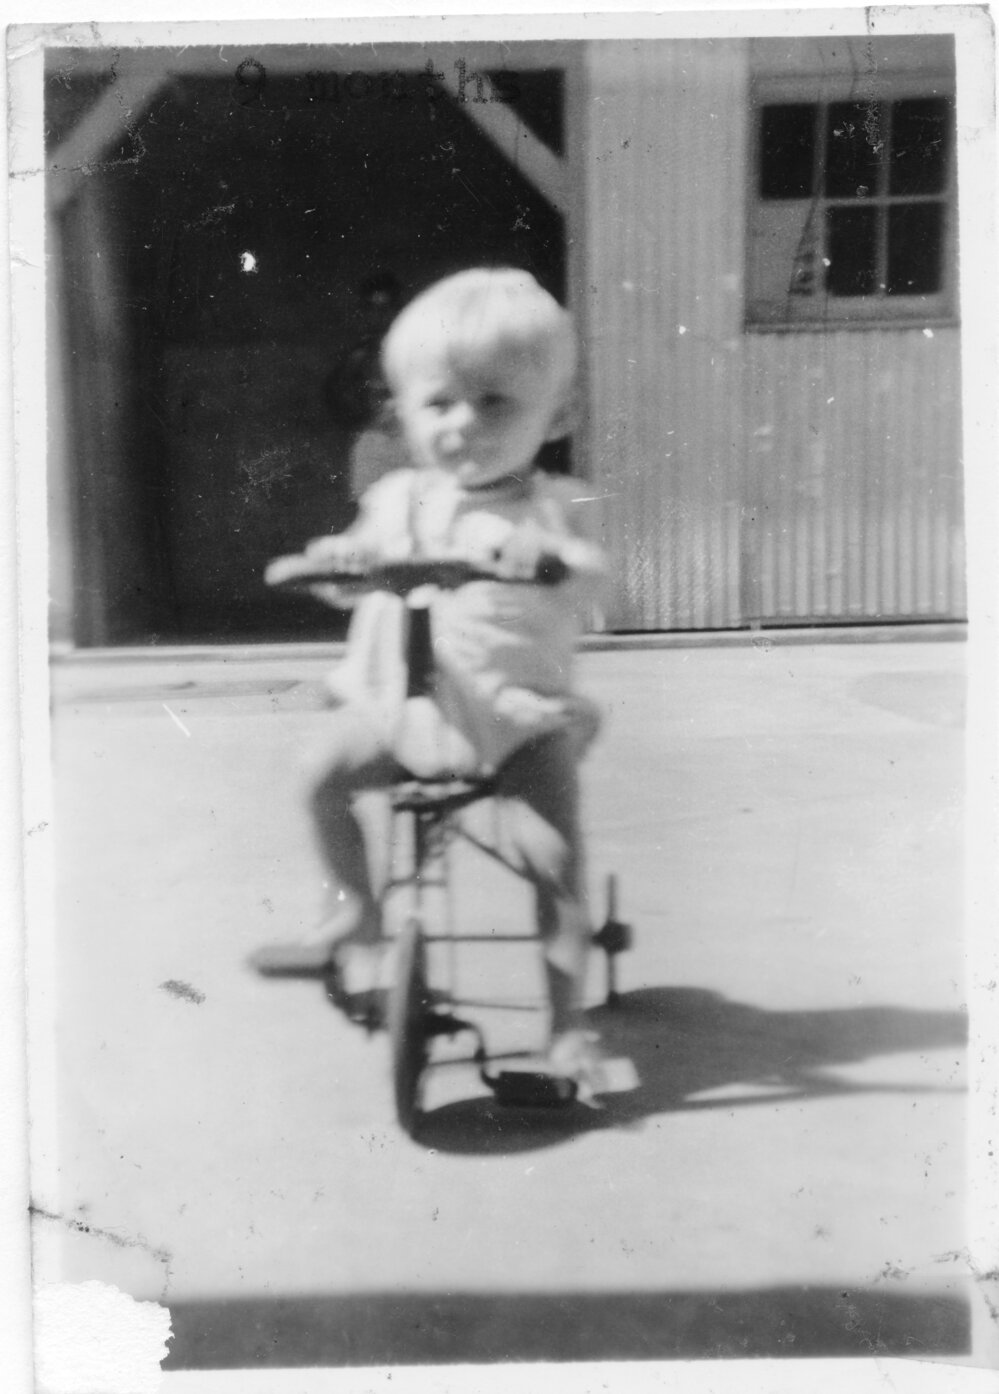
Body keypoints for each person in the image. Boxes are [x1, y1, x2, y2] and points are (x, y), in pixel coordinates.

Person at [253, 268, 608, 1085]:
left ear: (556, 416)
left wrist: (551, 560)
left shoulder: (557, 506)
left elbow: (592, 577)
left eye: (495, 403)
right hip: (395, 707)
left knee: (553, 862)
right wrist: (338, 560)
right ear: (402, 412)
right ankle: (357, 909)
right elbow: (348, 573)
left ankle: (567, 1028)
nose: (463, 424)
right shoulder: (396, 498)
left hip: (515, 718)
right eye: (439, 403)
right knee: (319, 772)